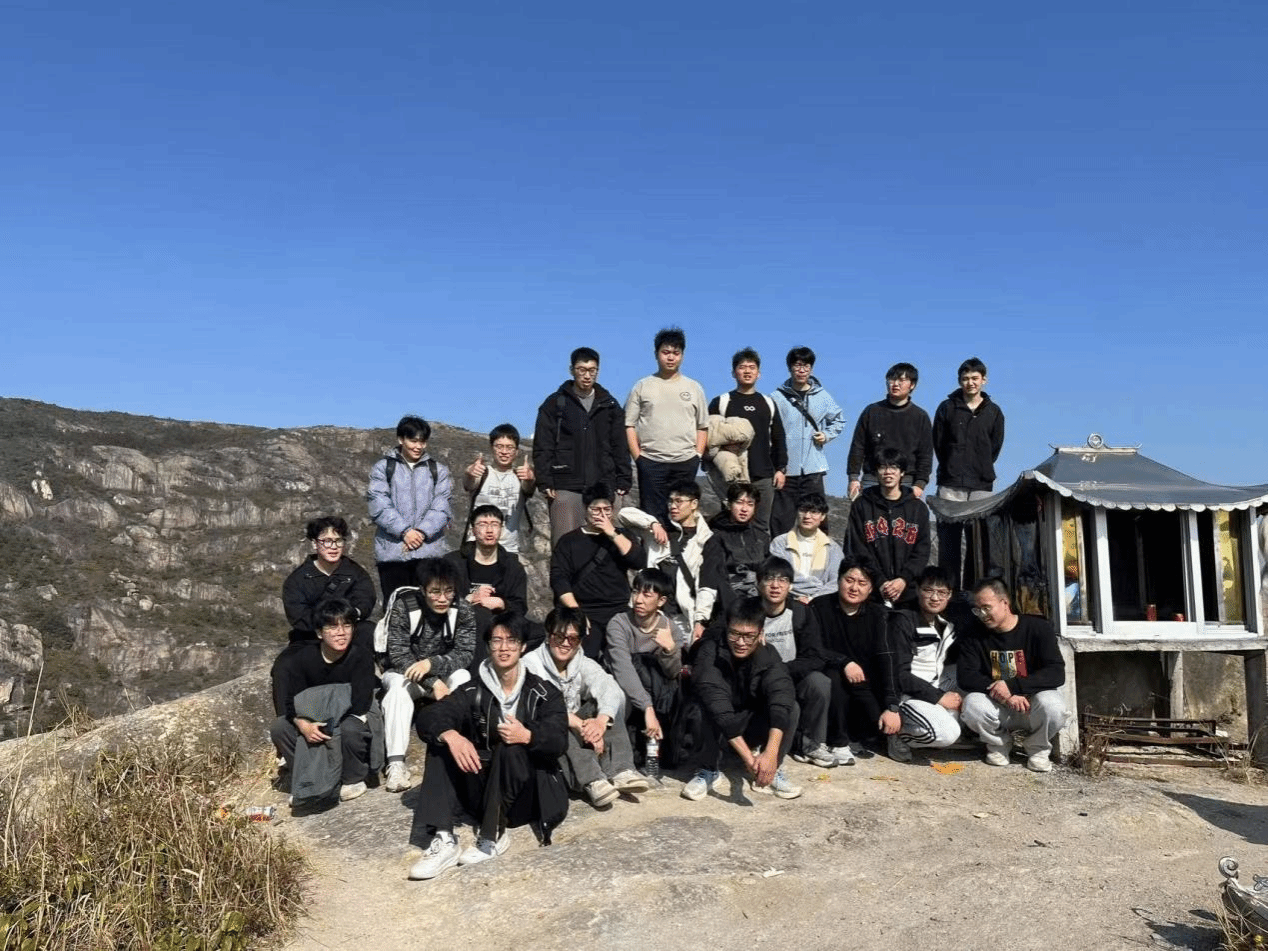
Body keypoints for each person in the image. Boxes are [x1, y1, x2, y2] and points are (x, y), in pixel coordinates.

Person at [409, 612, 568, 880]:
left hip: (526, 797)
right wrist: (452, 735)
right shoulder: (472, 690)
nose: (504, 648)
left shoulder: (544, 692)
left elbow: (559, 740)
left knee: (511, 744)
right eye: (497, 640)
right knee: (440, 740)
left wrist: (528, 735)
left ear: (523, 646)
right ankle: (444, 838)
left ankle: (493, 835)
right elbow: (430, 716)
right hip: (482, 793)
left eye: (511, 640)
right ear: (488, 646)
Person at [523, 606, 651, 808]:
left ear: (580, 641)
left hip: (577, 726)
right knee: (555, 722)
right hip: (550, 732)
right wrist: (581, 725)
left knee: (607, 701)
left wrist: (600, 721)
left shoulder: (580, 661)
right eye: (559, 637)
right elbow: (539, 708)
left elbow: (607, 686)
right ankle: (593, 780)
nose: (565, 644)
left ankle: (621, 770)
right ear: (548, 636)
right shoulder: (531, 664)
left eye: (573, 638)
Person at [682, 597, 803, 801]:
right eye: (735, 634)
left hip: (749, 724)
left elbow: (782, 693)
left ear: (761, 634)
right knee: (700, 709)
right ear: (727, 629)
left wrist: (771, 753)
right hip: (718, 728)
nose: (740, 642)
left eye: (748, 636)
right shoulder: (709, 652)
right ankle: (708, 769)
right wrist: (749, 760)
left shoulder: (768, 654)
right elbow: (718, 707)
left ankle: (771, 769)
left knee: (790, 707)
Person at [380, 558, 477, 793]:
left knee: (463, 678)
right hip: (404, 674)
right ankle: (396, 764)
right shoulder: (404, 607)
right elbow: (398, 655)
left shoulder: (463, 609)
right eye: (435, 591)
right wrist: (433, 683)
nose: (442, 598)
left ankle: (463, 746)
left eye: (448, 591)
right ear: (423, 590)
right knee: (397, 691)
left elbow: (465, 653)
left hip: (442, 672)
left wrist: (431, 664)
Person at [270, 598, 378, 806]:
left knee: (350, 728)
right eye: (332, 627)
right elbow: (291, 702)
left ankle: (353, 777)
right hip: (314, 717)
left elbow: (360, 703)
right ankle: (308, 778)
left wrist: (326, 725)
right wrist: (303, 724)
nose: (341, 633)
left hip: (349, 716)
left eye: (347, 626)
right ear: (319, 633)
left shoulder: (361, 657)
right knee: (280, 728)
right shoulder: (302, 659)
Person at [959, 578, 1068, 773]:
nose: (982, 615)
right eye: (977, 610)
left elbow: (1056, 672)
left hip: (1031, 705)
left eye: (986, 608)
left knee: (1055, 706)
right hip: (999, 706)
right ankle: (999, 744)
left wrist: (1013, 686)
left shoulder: (1038, 628)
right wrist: (1004, 694)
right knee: (972, 704)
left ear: (1005, 603)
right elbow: (966, 676)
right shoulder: (973, 634)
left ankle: (1037, 749)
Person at [273, 516, 376, 715]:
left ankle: (367, 708)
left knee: (370, 632)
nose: (333, 546)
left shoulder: (354, 573)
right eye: (326, 541)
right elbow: (298, 616)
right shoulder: (298, 579)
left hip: (347, 631)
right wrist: (325, 624)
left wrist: (348, 616)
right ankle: (286, 719)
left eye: (338, 540)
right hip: (310, 636)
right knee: (283, 665)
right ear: (314, 543)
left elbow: (365, 600)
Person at [533, 347, 632, 545]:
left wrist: (623, 479)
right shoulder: (554, 404)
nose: (587, 375)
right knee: (564, 546)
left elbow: (620, 445)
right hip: (565, 485)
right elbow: (543, 444)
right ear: (572, 370)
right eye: (582, 370)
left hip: (603, 485)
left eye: (592, 370)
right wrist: (545, 480)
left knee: (606, 548)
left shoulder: (610, 405)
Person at [809, 556, 902, 765]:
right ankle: (838, 742)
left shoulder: (878, 614)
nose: (854, 588)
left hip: (864, 685)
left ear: (870, 589)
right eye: (849, 580)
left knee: (875, 725)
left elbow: (887, 658)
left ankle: (858, 735)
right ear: (838, 580)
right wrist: (844, 662)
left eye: (862, 583)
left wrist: (892, 706)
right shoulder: (818, 607)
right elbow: (812, 648)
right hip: (832, 678)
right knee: (833, 676)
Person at [755, 557, 838, 768]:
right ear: (758, 583)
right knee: (787, 704)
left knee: (820, 683)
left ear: (790, 585)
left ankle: (811, 745)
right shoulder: (746, 610)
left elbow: (815, 656)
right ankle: (762, 741)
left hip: (791, 672)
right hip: (757, 676)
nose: (775, 585)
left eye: (782, 580)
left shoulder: (801, 612)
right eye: (769, 579)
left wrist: (784, 670)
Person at [549, 483, 647, 658]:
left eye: (607, 509)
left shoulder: (622, 536)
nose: (602, 514)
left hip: (618, 610)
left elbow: (638, 561)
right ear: (585, 509)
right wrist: (576, 613)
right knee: (586, 657)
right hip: (584, 609)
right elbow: (559, 578)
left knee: (623, 657)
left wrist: (612, 533)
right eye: (596, 509)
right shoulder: (568, 541)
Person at [616, 479, 717, 645]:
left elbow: (707, 585)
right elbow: (623, 514)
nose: (673, 506)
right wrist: (652, 523)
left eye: (679, 501)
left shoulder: (706, 539)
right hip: (654, 614)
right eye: (670, 501)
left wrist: (701, 620)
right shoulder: (659, 530)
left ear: (694, 504)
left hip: (686, 617)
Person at [624, 327, 708, 526]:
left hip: (685, 462)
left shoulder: (694, 387)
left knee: (683, 518)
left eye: (676, 353)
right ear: (656, 354)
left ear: (682, 356)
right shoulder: (642, 386)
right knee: (652, 519)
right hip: (651, 462)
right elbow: (629, 425)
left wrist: (697, 456)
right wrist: (639, 458)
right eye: (666, 352)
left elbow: (702, 426)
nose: (671, 357)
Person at [933, 357, 1006, 586]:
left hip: (981, 485)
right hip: (950, 482)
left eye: (975, 378)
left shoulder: (994, 412)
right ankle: (950, 593)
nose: (970, 383)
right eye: (965, 378)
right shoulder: (946, 408)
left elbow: (995, 447)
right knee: (949, 543)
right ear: (959, 381)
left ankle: (973, 593)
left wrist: (980, 466)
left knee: (979, 543)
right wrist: (952, 465)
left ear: (984, 380)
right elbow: (939, 444)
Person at [367, 415, 453, 600]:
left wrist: (421, 532)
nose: (418, 446)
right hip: (393, 554)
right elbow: (378, 504)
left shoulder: (438, 470)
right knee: (397, 608)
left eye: (422, 442)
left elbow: (442, 506)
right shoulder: (383, 468)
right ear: (401, 439)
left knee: (430, 607)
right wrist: (404, 532)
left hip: (429, 553)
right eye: (413, 441)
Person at [706, 348, 788, 536]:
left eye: (752, 367)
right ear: (734, 372)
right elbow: (709, 436)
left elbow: (778, 437)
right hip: (732, 475)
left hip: (763, 474)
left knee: (761, 527)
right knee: (731, 524)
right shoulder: (721, 402)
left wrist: (781, 469)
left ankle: (760, 556)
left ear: (759, 373)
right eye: (742, 367)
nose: (747, 371)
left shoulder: (768, 403)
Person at [605, 568, 685, 762]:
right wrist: (647, 707)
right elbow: (623, 669)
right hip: (626, 691)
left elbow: (673, 674)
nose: (638, 600)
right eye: (635, 592)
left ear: (661, 601)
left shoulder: (671, 629)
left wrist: (669, 649)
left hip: (657, 695)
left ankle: (667, 745)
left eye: (646, 595)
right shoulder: (619, 623)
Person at [887, 567, 965, 763]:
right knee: (948, 734)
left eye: (942, 592)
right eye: (928, 590)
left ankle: (936, 723)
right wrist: (939, 697)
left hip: (934, 682)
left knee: (968, 676)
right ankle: (899, 733)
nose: (935, 598)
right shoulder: (903, 620)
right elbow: (899, 675)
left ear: (950, 595)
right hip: (908, 694)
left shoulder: (944, 622)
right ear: (917, 590)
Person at [770, 346, 845, 537]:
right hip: (786, 470)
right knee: (781, 520)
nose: (802, 370)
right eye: (797, 365)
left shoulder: (822, 395)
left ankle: (821, 553)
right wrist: (777, 465)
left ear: (811, 368)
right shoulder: (777, 397)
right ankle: (780, 555)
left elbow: (839, 419)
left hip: (813, 469)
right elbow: (769, 430)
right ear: (790, 368)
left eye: (806, 366)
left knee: (817, 517)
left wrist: (826, 435)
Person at [845, 448, 931, 607]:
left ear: (902, 472)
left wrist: (903, 579)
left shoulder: (918, 509)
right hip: (871, 591)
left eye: (894, 467)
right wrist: (880, 581)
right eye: (882, 467)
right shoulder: (861, 505)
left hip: (908, 593)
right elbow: (857, 548)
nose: (888, 472)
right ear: (876, 472)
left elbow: (922, 550)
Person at [846, 363, 933, 501]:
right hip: (872, 479)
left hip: (906, 481)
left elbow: (925, 454)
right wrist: (853, 478)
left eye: (902, 380)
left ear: (912, 385)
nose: (895, 384)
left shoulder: (920, 416)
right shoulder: (872, 411)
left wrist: (920, 484)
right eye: (892, 379)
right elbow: (858, 446)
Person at [447, 504, 529, 622]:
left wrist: (502, 604)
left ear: (501, 529)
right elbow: (439, 601)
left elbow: (520, 606)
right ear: (473, 530)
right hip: (461, 623)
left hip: (499, 625)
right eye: (482, 524)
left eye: (495, 524)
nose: (489, 530)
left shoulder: (513, 566)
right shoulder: (452, 562)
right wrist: (469, 599)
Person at [462, 424, 535, 554]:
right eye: (499, 446)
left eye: (509, 447)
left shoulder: (521, 477)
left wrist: (531, 478)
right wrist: (469, 473)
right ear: (492, 448)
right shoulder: (481, 474)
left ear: (517, 451)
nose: (504, 452)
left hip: (509, 550)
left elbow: (529, 489)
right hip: (476, 549)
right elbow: (469, 484)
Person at [700, 482, 769, 614]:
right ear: (729, 504)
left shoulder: (761, 537)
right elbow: (716, 575)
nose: (744, 509)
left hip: (759, 597)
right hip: (729, 600)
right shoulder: (715, 536)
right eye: (739, 502)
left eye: (750, 504)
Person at [768, 492, 843, 603]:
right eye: (803, 510)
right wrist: (814, 586)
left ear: (823, 516)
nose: (807, 516)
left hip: (821, 602)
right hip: (787, 600)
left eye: (814, 512)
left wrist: (812, 598)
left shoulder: (833, 548)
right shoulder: (780, 543)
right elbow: (780, 576)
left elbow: (836, 581)